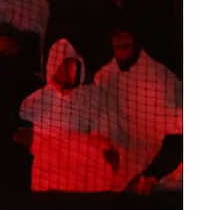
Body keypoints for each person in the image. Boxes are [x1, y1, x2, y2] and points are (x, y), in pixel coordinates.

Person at [16, 39, 121, 192]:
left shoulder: (88, 95)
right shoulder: (43, 96)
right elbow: (23, 114)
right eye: (63, 67)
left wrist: (101, 142)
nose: (68, 73)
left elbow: (104, 124)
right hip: (47, 159)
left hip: (77, 156)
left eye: (72, 67)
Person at [94, 28, 183, 192]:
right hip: (124, 157)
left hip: (162, 161)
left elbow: (177, 122)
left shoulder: (160, 76)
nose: (121, 48)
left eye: (125, 43)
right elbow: (104, 114)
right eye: (117, 43)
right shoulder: (104, 77)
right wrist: (108, 144)